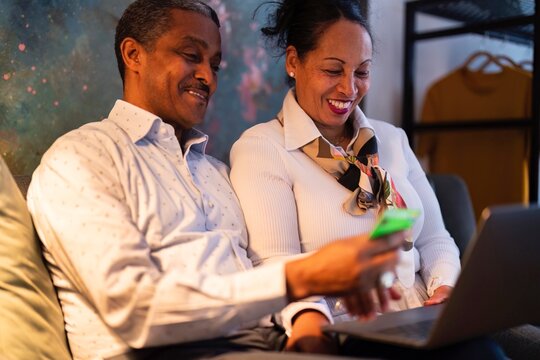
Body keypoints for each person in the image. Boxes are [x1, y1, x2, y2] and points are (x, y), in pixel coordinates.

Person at [26, 1, 406, 359]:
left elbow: (261, 269)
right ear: (133, 55)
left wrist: (309, 317)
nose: (207, 76)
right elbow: (135, 311)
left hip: (266, 343)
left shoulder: (214, 172)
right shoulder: (82, 157)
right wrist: (303, 275)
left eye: (215, 64)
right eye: (191, 56)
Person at [229, 0, 461, 353]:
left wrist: (444, 290)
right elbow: (274, 265)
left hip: (424, 321)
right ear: (294, 62)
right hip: (351, 329)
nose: (349, 89)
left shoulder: (392, 140)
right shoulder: (263, 148)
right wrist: (312, 326)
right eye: (333, 71)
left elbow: (434, 239)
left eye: (362, 72)